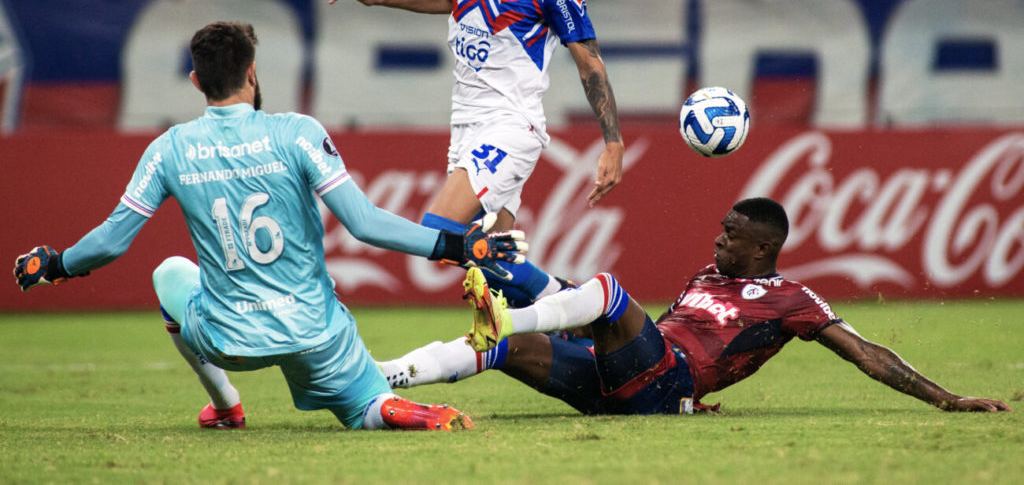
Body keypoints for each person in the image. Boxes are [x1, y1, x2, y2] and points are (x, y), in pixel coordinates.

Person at [12, 21, 530, 432]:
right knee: (365, 406)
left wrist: (56, 264)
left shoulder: (169, 148)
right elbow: (365, 224)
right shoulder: (297, 132)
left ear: (196, 82)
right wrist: (458, 246)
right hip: (315, 333)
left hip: (227, 338)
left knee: (169, 272)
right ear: (253, 73)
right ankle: (390, 408)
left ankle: (225, 406)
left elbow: (110, 241)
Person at [380, 197, 1011, 417]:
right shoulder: (709, 273)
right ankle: (378, 379)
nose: (718, 240)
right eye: (721, 229)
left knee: (605, 291)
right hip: (624, 380)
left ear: (762, 248)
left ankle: (508, 313)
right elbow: (627, 328)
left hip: (669, 382)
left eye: (731, 235)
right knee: (507, 338)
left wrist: (948, 399)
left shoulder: (791, 299)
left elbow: (865, 353)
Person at [322, 0, 625, 307]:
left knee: (440, 231)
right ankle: (577, 321)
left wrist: (613, 143)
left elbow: (590, 62)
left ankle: (583, 303)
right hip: (465, 124)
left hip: (511, 124)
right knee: (494, 270)